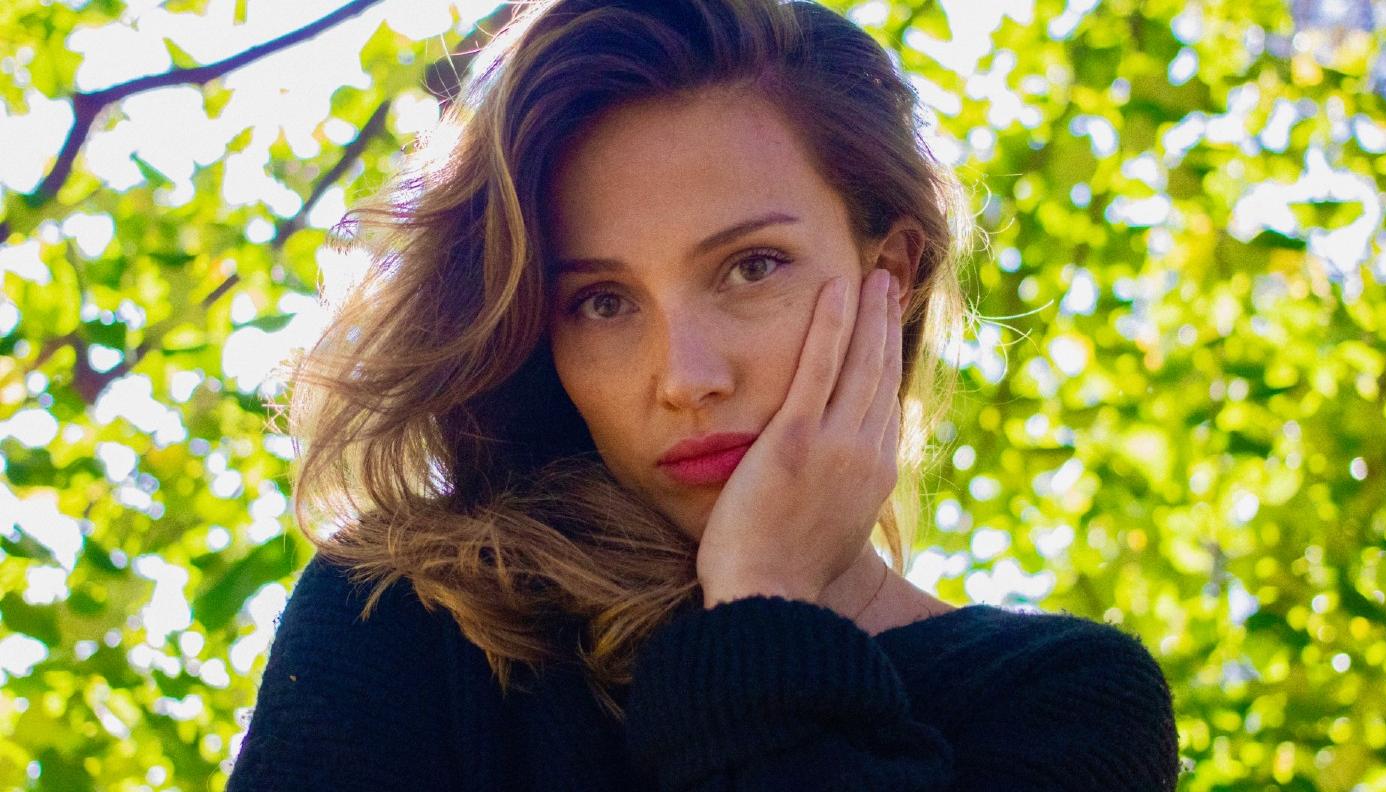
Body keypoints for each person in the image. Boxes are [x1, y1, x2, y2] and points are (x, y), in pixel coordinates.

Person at [226, 0, 1181, 789]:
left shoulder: (1065, 700)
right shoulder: (409, 614)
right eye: (601, 302)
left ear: (892, 272)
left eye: (750, 267)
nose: (686, 377)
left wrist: (760, 608)